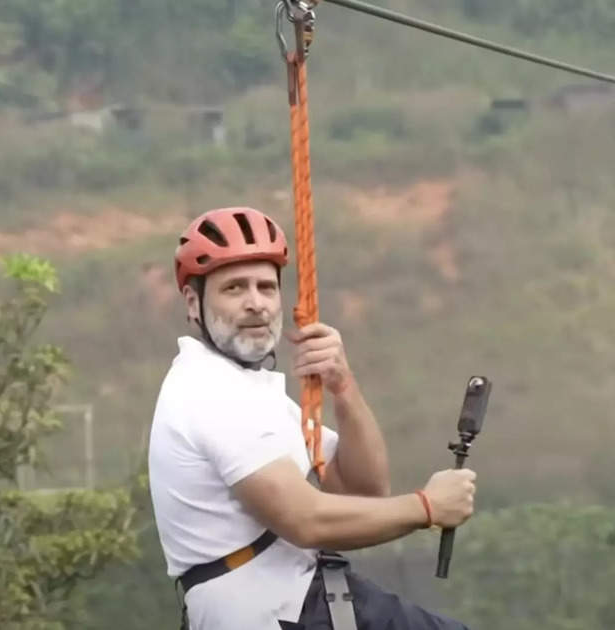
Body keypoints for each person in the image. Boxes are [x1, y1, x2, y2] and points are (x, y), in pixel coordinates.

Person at [148, 206, 478, 630]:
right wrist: (428, 507)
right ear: (193, 303)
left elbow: (366, 488)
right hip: (278, 611)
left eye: (266, 288)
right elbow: (306, 519)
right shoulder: (208, 391)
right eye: (234, 288)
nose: (256, 304)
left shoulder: (251, 392)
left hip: (300, 602)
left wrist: (343, 385)